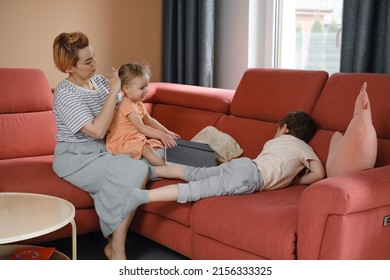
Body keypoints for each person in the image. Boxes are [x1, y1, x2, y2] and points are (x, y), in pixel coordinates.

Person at [52, 32, 149, 260]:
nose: (96, 65)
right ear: (69, 68)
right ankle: (117, 248)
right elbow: (96, 130)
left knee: (149, 163)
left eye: (94, 57)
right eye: (88, 62)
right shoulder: (65, 94)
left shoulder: (99, 82)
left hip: (106, 150)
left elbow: (125, 110)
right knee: (138, 168)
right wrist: (115, 90)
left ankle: (113, 244)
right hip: (77, 157)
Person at [124, 111, 326, 211]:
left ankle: (151, 171)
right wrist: (297, 180)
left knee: (196, 174)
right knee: (197, 190)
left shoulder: (275, 143)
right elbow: (319, 174)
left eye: (278, 128)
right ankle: (141, 197)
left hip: (246, 165)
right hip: (251, 178)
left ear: (285, 128)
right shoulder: (305, 148)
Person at [105, 63, 180, 166]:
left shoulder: (138, 103)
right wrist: (162, 136)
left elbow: (149, 121)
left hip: (135, 140)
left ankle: (174, 160)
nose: (146, 90)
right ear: (126, 88)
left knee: (157, 145)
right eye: (142, 88)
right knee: (146, 148)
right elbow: (141, 128)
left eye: (147, 86)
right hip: (121, 143)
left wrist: (166, 132)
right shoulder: (126, 104)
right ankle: (167, 167)